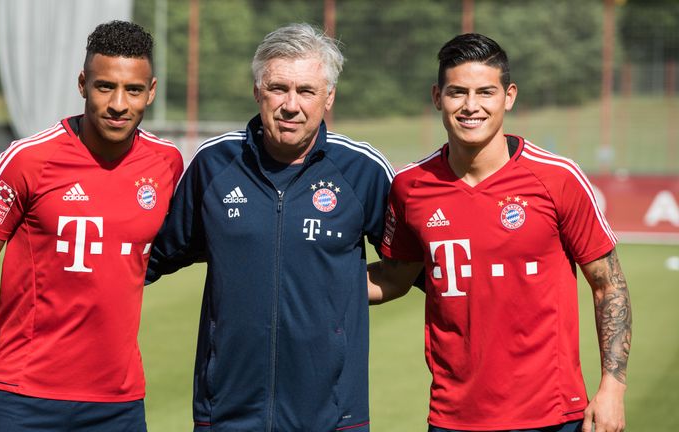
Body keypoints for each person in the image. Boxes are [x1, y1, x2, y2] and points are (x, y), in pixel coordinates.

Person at [367, 33, 632, 432]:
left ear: (508, 96)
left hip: (551, 415)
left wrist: (612, 388)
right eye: (457, 92)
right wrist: (301, 280)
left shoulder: (557, 178)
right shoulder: (410, 186)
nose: (471, 106)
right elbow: (394, 278)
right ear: (437, 97)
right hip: (452, 416)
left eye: (485, 92)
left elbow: (608, 285)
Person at [147, 23, 394, 431]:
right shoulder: (214, 165)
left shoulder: (362, 171)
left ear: (328, 97)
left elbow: (412, 267)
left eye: (307, 91)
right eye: (278, 88)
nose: (291, 105)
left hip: (333, 417)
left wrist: (340, 289)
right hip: (225, 414)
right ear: (257, 91)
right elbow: (150, 258)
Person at [0, 20, 183, 432]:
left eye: (133, 89)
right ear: (82, 84)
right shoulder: (28, 159)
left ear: (152, 91)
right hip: (24, 395)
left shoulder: (167, 163)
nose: (118, 104)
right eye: (104, 86)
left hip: (120, 402)